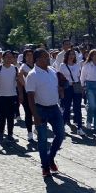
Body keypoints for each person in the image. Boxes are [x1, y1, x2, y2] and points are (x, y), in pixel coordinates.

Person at [26, 49, 65, 178]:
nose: (48, 58)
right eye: (44, 57)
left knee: (60, 135)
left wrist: (60, 89)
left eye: (47, 56)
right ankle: (45, 166)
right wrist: (35, 116)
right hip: (40, 109)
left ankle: (50, 157)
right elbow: (30, 97)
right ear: (37, 59)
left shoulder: (52, 71)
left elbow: (57, 86)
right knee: (42, 139)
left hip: (54, 108)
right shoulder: (32, 75)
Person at [0, 50, 23, 142]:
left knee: (11, 116)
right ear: (3, 58)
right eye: (7, 57)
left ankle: (10, 135)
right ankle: (0, 134)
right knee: (2, 116)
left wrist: (20, 95)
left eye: (11, 57)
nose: (9, 59)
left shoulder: (15, 68)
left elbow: (19, 83)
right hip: (1, 96)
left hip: (13, 96)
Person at [58, 49, 85, 136]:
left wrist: (82, 86)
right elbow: (60, 78)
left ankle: (79, 127)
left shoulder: (77, 65)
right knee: (67, 107)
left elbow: (79, 76)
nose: (72, 56)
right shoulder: (62, 65)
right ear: (67, 56)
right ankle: (62, 125)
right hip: (67, 87)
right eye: (70, 54)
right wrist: (61, 89)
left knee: (78, 107)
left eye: (73, 54)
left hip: (76, 86)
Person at [19, 49, 36, 142]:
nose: (30, 57)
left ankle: (37, 128)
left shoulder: (37, 65)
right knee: (28, 113)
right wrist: (26, 86)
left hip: (37, 93)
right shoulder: (24, 66)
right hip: (28, 93)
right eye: (28, 55)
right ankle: (29, 132)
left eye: (31, 55)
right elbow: (19, 75)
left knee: (37, 112)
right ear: (25, 57)